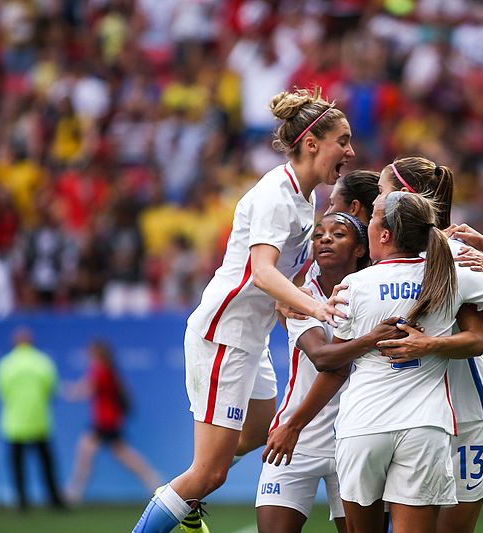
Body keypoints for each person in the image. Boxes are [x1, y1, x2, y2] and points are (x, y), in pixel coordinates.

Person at [132, 86, 355, 533]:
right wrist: (313, 306)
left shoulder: (303, 197)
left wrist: (283, 302)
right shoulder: (277, 193)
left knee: (255, 434)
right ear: (312, 143)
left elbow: (275, 279)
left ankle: (187, 490)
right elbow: (261, 272)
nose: (350, 151)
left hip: (249, 338)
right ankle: (182, 496)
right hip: (224, 334)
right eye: (342, 141)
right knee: (210, 473)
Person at [323, 192, 483, 533]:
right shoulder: (450, 275)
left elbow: (335, 357)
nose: (368, 225)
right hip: (425, 427)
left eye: (373, 219)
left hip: (362, 425)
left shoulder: (353, 285)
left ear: (385, 234)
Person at [374, 156, 483, 533]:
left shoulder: (453, 255)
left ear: (402, 198)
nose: (375, 203)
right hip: (412, 418)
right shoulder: (382, 254)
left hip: (468, 418)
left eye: (381, 193)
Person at [257, 209, 403, 533]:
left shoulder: (373, 292)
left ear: (360, 249)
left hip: (355, 435)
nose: (325, 239)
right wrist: (371, 338)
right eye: (319, 234)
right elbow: (324, 359)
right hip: (295, 435)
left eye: (338, 234)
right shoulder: (300, 297)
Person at [64, 340, 161, 503]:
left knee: (87, 454)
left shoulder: (100, 371)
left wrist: (68, 391)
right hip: (109, 421)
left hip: (105, 422)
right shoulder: (107, 370)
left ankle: (74, 492)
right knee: (119, 455)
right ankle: (153, 480)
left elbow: (86, 390)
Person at [0, 327, 65, 511]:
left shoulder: (6, 364)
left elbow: (0, 391)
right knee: (46, 464)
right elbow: (52, 390)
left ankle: (22, 501)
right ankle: (54, 499)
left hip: (14, 423)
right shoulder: (43, 362)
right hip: (39, 421)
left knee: (18, 465)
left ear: (15, 342)